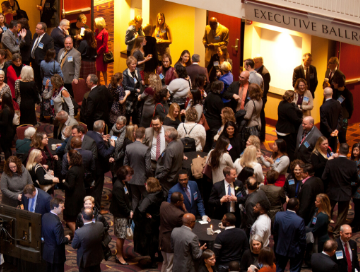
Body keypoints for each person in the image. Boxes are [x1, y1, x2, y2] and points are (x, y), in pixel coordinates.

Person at [322, 143, 359, 237]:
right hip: (346, 192)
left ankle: (324, 230)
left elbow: (324, 177)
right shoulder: (352, 164)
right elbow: (356, 180)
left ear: (338, 151)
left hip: (331, 191)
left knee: (327, 212)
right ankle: (337, 233)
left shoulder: (330, 162)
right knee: (342, 216)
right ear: (348, 152)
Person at [133, 177, 164, 268]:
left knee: (150, 242)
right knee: (157, 239)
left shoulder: (149, 198)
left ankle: (153, 261)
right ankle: (161, 257)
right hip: (157, 220)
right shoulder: (161, 193)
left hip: (149, 224)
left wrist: (143, 214)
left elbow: (140, 209)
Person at [86, 120, 115, 208]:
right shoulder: (99, 140)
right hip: (98, 167)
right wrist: (112, 146)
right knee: (98, 188)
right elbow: (105, 154)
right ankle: (96, 208)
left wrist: (101, 137)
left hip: (89, 165)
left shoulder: (89, 133)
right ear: (102, 128)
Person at [273, 198, 306, 272]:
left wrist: (276, 243)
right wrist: (303, 250)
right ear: (296, 207)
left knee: (279, 268)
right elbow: (302, 239)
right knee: (294, 270)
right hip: (294, 250)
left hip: (280, 247)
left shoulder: (278, 215)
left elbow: (274, 231)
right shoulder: (299, 220)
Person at [109, 166, 133, 265]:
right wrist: (128, 212)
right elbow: (121, 203)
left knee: (122, 235)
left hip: (123, 213)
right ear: (123, 176)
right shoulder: (118, 186)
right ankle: (119, 256)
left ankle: (121, 253)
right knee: (120, 236)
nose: (131, 177)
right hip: (120, 214)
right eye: (129, 175)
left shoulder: (124, 183)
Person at [124, 127, 152, 210]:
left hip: (131, 178)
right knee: (146, 198)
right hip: (143, 179)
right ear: (144, 136)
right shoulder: (146, 149)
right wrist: (150, 177)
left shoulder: (128, 147)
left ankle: (134, 218)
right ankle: (142, 216)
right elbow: (148, 168)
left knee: (134, 198)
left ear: (134, 135)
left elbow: (125, 164)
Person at [75, 196, 111, 260]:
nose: (88, 205)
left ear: (93, 205)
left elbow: (107, 226)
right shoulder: (80, 216)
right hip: (85, 240)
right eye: (86, 204)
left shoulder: (99, 216)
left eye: (89, 204)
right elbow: (77, 228)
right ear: (84, 205)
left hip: (97, 242)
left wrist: (98, 231)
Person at [42, 198, 70, 272]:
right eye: (61, 207)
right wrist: (67, 238)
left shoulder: (45, 216)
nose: (63, 208)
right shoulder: (57, 223)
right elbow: (60, 241)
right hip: (56, 255)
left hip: (47, 252)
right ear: (55, 207)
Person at [159, 192, 186, 272]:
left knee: (165, 262)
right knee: (170, 266)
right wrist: (185, 210)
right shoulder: (179, 214)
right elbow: (188, 221)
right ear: (178, 202)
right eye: (182, 201)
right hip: (170, 242)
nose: (183, 202)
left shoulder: (163, 205)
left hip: (162, 239)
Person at [62, 149, 86, 234]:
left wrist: (63, 181)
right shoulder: (81, 166)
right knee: (77, 216)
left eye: (68, 157)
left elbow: (70, 186)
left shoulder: (72, 170)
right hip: (81, 193)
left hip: (73, 197)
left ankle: (78, 236)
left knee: (69, 219)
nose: (67, 159)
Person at [275, 90, 303, 161]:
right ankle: (289, 166)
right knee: (289, 150)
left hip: (279, 129)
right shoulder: (289, 107)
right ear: (291, 97)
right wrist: (302, 120)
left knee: (281, 148)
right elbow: (295, 119)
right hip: (286, 131)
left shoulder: (281, 103)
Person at [155, 127, 184, 193]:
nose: (164, 136)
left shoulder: (170, 149)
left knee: (168, 194)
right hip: (176, 174)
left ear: (170, 138)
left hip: (169, 178)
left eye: (165, 136)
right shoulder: (179, 141)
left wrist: (158, 177)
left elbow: (167, 168)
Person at [30, 22, 54, 91]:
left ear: (42, 30)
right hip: (34, 62)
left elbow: (50, 52)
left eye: (38, 28)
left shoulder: (48, 39)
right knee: (36, 78)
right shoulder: (35, 35)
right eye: (36, 28)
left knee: (41, 79)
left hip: (41, 63)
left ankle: (42, 93)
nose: (36, 29)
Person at [40, 49, 63, 119]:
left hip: (45, 82)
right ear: (54, 55)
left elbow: (41, 73)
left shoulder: (42, 63)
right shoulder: (56, 64)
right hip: (53, 83)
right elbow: (61, 75)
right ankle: (52, 114)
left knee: (44, 100)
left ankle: (43, 114)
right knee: (52, 100)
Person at [332, 74, 353, 145]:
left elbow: (350, 106)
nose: (333, 84)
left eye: (334, 83)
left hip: (343, 117)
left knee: (342, 137)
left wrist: (348, 116)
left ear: (338, 83)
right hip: (335, 116)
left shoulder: (347, 93)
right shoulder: (334, 91)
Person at [122, 56, 143, 124]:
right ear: (128, 65)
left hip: (137, 97)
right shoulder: (125, 73)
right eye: (133, 64)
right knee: (128, 115)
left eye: (135, 63)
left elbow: (139, 80)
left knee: (136, 114)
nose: (135, 65)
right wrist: (135, 90)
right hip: (129, 97)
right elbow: (125, 86)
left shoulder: (137, 70)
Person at [204, 81, 224, 151]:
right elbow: (221, 112)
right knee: (214, 141)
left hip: (207, 120)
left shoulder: (209, 95)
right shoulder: (218, 100)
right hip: (215, 123)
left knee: (207, 141)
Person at [253, 56, 270, 142]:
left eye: (255, 62)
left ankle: (262, 136)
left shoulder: (265, 73)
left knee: (261, 116)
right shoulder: (255, 70)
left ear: (260, 63)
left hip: (261, 98)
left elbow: (265, 88)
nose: (254, 63)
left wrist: (260, 97)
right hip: (255, 97)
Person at [320, 87, 342, 152]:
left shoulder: (323, 107)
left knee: (327, 149)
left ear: (324, 94)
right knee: (334, 148)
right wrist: (337, 129)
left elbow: (324, 121)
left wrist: (330, 131)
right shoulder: (338, 103)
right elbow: (340, 117)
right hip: (335, 131)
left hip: (326, 132)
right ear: (332, 93)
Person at [94, 17, 109, 86]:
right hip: (97, 52)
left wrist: (98, 52)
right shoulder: (96, 30)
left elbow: (104, 44)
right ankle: (98, 83)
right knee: (97, 69)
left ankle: (106, 84)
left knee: (103, 69)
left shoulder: (105, 32)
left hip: (102, 53)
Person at [0, 92, 14, 159]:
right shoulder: (10, 107)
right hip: (10, 130)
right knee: (7, 148)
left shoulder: (5, 110)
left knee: (6, 149)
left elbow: (4, 123)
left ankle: (8, 164)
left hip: (6, 132)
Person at [351, 143, 360, 232]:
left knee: (358, 208)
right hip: (353, 189)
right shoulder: (352, 160)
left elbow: (358, 179)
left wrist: (350, 183)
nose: (355, 152)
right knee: (355, 206)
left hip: (358, 189)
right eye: (354, 150)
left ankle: (357, 225)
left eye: (357, 150)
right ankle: (354, 221)